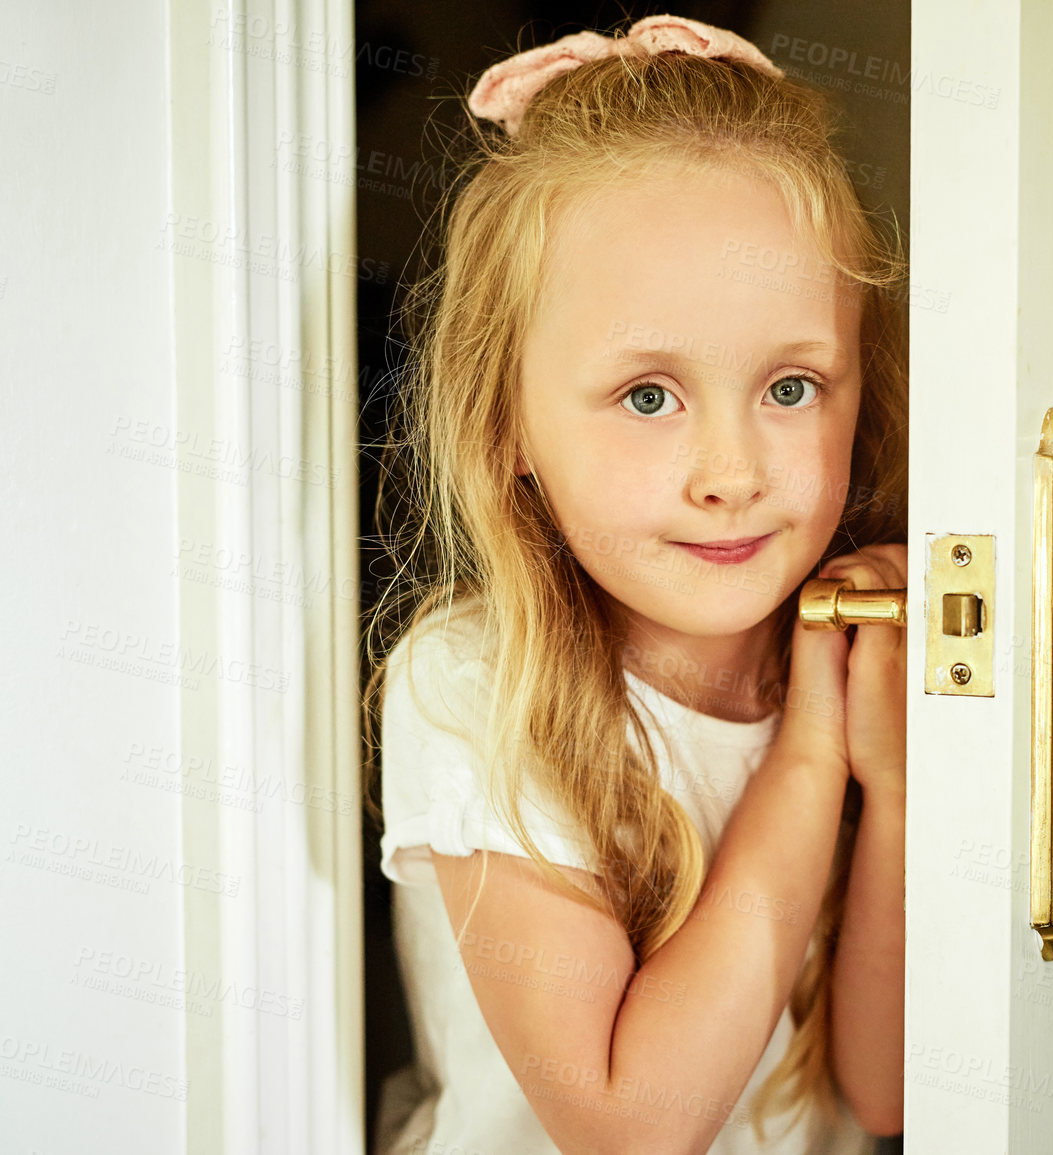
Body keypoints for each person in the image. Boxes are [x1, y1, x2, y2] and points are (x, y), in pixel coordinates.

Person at [368, 14, 907, 1154]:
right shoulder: (472, 686)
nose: (733, 476)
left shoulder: (867, 655)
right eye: (649, 396)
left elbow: (886, 1093)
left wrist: (897, 794)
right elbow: (632, 1131)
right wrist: (811, 757)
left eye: (794, 387)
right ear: (504, 420)